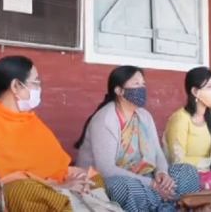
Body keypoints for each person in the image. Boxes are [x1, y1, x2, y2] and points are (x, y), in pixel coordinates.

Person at [0, 56, 100, 211]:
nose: (38, 88)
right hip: (20, 186)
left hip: (51, 182)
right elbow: (4, 175)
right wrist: (57, 185)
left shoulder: (29, 118)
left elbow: (56, 164)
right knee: (27, 191)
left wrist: (73, 178)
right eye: (35, 82)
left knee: (94, 179)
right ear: (15, 86)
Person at [75, 66, 200, 211]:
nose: (141, 88)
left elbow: (158, 152)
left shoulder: (144, 116)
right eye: (136, 84)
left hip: (145, 178)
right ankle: (167, 204)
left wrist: (162, 174)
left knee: (186, 171)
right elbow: (106, 169)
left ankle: (163, 203)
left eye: (143, 84)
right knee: (121, 187)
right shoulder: (105, 119)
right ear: (119, 91)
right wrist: (151, 184)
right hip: (111, 180)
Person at [163, 67, 211, 193]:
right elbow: (177, 162)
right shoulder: (180, 119)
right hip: (187, 177)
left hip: (210, 173)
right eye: (210, 87)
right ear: (195, 91)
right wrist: (205, 165)